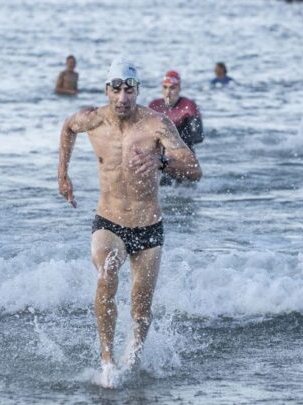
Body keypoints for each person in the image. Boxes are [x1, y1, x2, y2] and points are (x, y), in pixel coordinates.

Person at [57, 58, 202, 385]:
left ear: (138, 91)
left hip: (150, 227)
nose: (123, 98)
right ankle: (107, 363)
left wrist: (161, 161)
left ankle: (132, 358)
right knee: (107, 272)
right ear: (107, 90)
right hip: (109, 222)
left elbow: (194, 170)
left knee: (140, 310)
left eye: (130, 90)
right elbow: (67, 127)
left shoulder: (157, 124)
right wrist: (62, 175)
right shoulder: (92, 120)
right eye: (116, 89)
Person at [148, 70, 204, 185]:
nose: (168, 92)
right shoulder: (154, 106)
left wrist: (173, 143)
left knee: (185, 188)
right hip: (162, 157)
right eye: (165, 87)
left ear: (179, 88)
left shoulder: (188, 106)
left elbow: (198, 136)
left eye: (172, 88)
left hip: (183, 155)